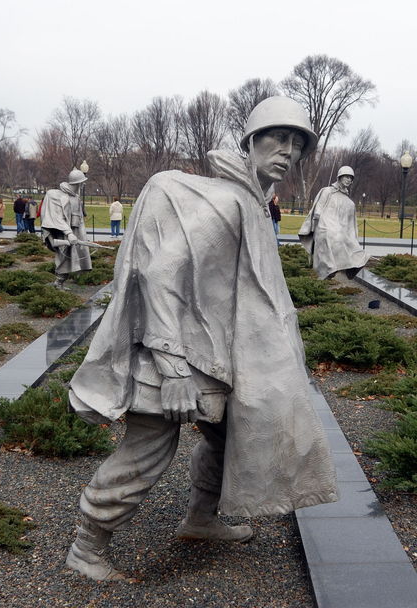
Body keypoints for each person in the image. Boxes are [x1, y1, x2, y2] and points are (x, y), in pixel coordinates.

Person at [64, 97, 338, 581]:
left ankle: (200, 518)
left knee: (226, 436)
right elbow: (162, 272)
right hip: (177, 359)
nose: (287, 151)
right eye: (276, 138)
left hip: (217, 360)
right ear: (250, 142)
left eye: (297, 143)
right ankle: (87, 547)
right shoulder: (229, 202)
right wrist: (171, 370)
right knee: (148, 451)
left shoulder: (252, 201)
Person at [298, 166, 369, 279]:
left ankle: (352, 267)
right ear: (339, 177)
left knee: (347, 241)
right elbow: (318, 208)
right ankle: (328, 268)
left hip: (338, 230)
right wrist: (315, 220)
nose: (349, 179)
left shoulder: (349, 203)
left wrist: (350, 236)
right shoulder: (327, 191)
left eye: (351, 178)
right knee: (329, 234)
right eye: (346, 176)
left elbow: (351, 226)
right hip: (323, 226)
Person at [40, 169, 93, 289]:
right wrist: (69, 234)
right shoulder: (57, 196)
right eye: (81, 182)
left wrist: (81, 235)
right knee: (64, 257)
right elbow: (57, 217)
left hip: (75, 231)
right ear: (77, 183)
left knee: (73, 258)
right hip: (63, 232)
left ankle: (61, 283)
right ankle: (58, 282)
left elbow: (79, 217)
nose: (82, 184)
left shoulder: (76, 197)